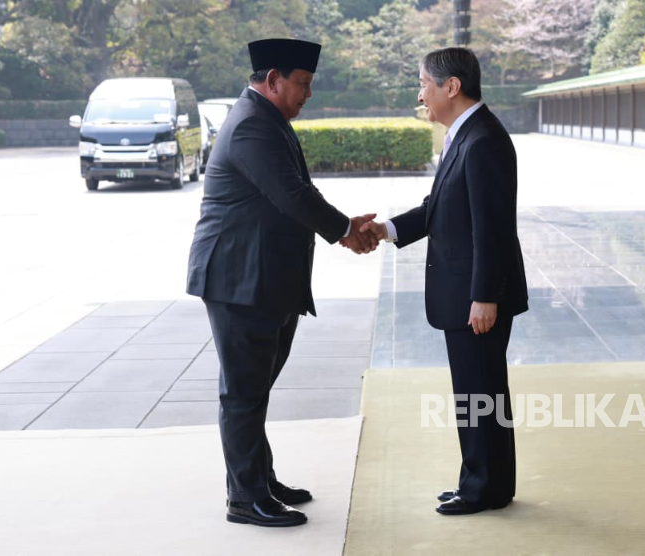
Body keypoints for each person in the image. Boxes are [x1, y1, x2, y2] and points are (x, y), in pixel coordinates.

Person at [186, 38, 378, 528]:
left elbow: (299, 191)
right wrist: (344, 231)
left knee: (256, 388)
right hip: (238, 278)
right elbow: (292, 195)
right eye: (303, 84)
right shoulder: (253, 124)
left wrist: (344, 226)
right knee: (245, 392)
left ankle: (258, 480)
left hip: (263, 278)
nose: (307, 94)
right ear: (273, 79)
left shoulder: (267, 119)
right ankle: (246, 499)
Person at [361, 47, 529, 516]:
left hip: (476, 296)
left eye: (424, 85)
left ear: (451, 87)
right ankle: (487, 482)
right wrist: (387, 229)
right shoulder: (466, 135)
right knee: (479, 393)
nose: (421, 95)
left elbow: (493, 229)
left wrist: (484, 298)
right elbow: (441, 208)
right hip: (468, 293)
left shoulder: (484, 140)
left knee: (479, 393)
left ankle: (483, 489)